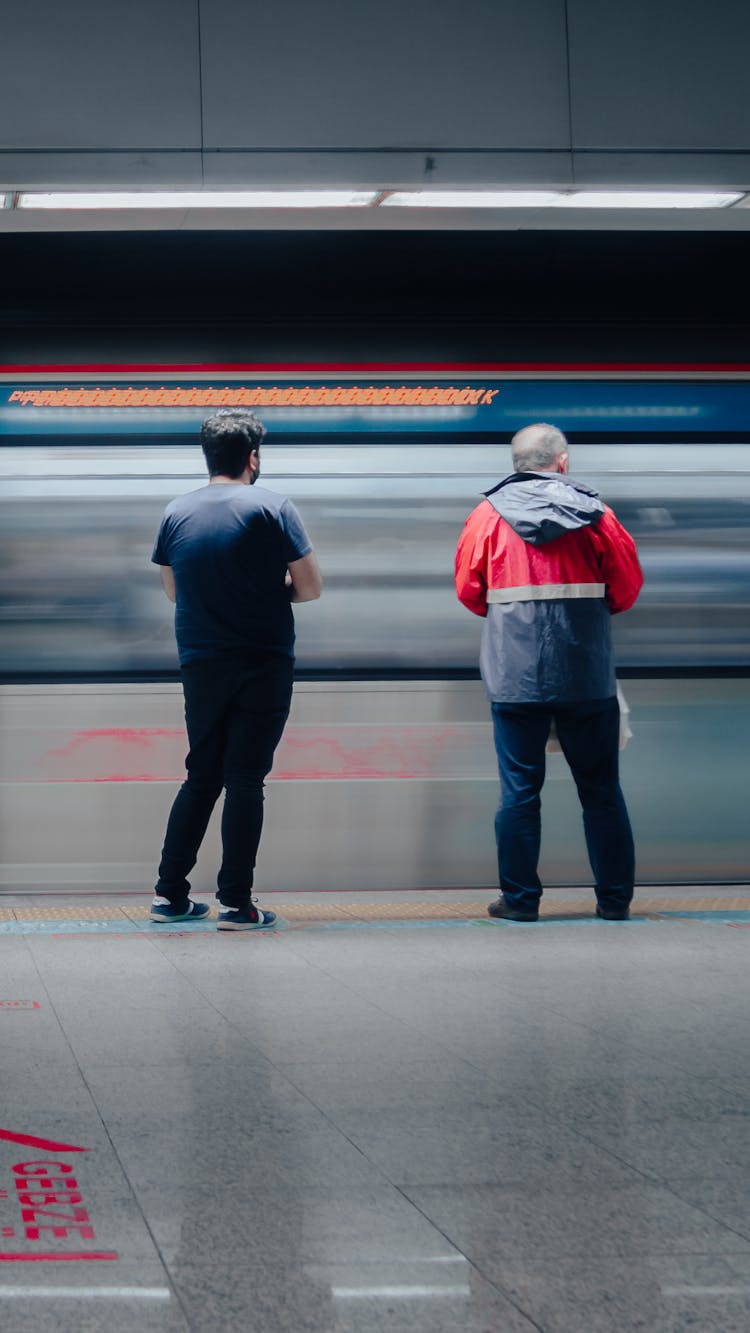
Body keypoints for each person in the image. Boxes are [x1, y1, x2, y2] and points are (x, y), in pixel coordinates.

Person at [454, 422, 643, 922]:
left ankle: (519, 901)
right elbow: (625, 590)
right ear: (562, 462)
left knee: (519, 792)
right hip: (586, 676)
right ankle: (615, 900)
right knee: (601, 791)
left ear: (516, 464)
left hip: (514, 677)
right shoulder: (598, 515)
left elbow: (470, 593)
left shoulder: (485, 517)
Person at [150, 409, 322, 930]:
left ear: (208, 457)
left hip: (201, 661)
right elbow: (310, 587)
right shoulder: (274, 508)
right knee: (245, 777)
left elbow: (174, 589)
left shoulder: (176, 512)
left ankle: (169, 897)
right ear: (253, 457)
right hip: (263, 661)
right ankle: (236, 904)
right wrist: (270, 593)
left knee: (201, 775)